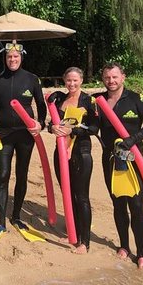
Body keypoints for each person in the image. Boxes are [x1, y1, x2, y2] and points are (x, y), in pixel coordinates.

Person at [97, 62, 143, 268]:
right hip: (110, 160)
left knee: (136, 206)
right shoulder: (98, 101)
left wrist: (133, 139)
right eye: (107, 77)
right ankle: (124, 246)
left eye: (115, 77)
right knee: (118, 204)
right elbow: (88, 122)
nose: (111, 81)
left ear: (123, 77)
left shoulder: (136, 99)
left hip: (133, 160)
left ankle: (141, 254)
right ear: (103, 79)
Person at [0, 43, 46, 231]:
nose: (12, 60)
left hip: (25, 135)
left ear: (21, 57)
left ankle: (15, 216)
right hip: (3, 134)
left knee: (21, 175)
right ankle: (1, 220)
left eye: (15, 57)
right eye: (9, 57)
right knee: (3, 175)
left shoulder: (31, 79)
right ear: (5, 58)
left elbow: (41, 105)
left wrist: (41, 123)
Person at [48, 67, 99, 254]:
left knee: (81, 196)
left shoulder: (88, 100)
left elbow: (94, 128)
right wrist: (52, 128)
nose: (72, 84)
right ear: (64, 80)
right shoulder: (59, 99)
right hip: (60, 152)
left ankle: (85, 242)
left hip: (81, 152)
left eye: (75, 80)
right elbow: (52, 124)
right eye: (69, 80)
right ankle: (74, 232)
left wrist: (74, 130)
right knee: (67, 193)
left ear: (82, 81)